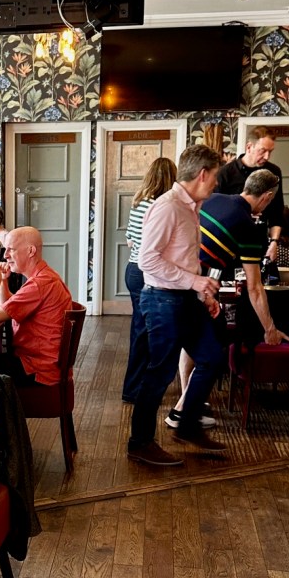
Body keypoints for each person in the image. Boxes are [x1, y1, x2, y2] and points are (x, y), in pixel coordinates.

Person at [164, 168, 289, 427]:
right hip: (196, 288)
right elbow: (254, 288)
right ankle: (183, 409)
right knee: (215, 343)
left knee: (195, 342)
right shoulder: (249, 227)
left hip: (177, 280)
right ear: (267, 197)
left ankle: (190, 399)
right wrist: (270, 328)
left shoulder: (213, 199)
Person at [126, 144, 227, 467]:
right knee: (160, 372)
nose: (217, 183)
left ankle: (187, 425)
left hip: (184, 297)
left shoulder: (191, 207)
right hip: (162, 300)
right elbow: (147, 260)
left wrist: (202, 293)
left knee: (212, 357)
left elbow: (183, 259)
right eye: (215, 176)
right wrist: (195, 282)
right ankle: (140, 442)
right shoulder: (167, 206)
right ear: (203, 174)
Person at [0, 226, 72, 387]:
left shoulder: (39, 284)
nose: (5, 255)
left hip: (38, 368)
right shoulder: (44, 276)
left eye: (11, 249)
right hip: (40, 362)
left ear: (31, 251)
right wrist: (3, 280)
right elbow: (9, 306)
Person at [122, 158, 176, 403]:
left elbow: (130, 240)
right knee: (149, 333)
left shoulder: (139, 202)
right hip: (148, 272)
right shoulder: (161, 206)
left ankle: (135, 387)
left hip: (133, 270)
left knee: (141, 330)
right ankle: (137, 390)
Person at [216, 127, 285, 259]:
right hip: (230, 243)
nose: (267, 157)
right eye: (262, 151)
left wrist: (274, 242)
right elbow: (217, 212)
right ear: (249, 147)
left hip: (259, 241)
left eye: (270, 152)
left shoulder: (274, 172)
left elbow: (277, 210)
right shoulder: (225, 173)